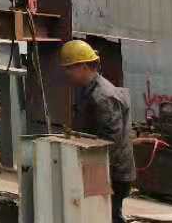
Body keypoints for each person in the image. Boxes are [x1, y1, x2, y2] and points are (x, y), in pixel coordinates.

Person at [61, 40, 135, 223]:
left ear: (84, 67)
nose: (66, 73)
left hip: (110, 172)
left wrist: (96, 172)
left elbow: (111, 140)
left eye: (69, 68)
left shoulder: (102, 96)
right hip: (101, 168)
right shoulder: (89, 91)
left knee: (105, 216)